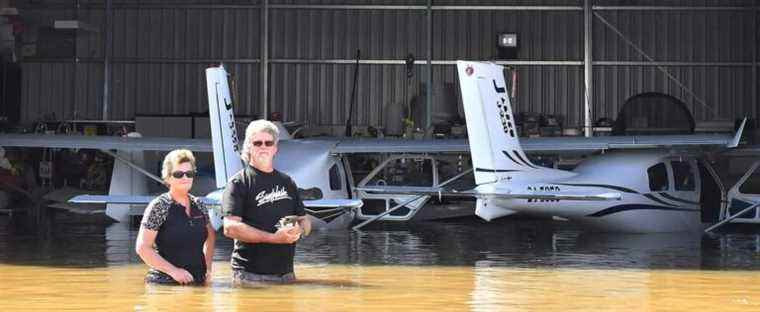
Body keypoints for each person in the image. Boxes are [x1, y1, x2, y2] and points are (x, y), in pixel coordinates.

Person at [222, 119, 311, 285]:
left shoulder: (288, 182)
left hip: (287, 275)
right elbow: (230, 228)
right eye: (257, 142)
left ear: (275, 148)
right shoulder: (238, 183)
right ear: (249, 146)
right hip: (250, 276)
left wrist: (299, 230)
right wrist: (273, 238)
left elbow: (305, 221)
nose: (263, 146)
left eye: (268, 143)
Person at [135, 149, 216, 285]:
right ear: (168, 177)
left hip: (197, 282)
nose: (185, 178)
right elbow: (142, 248)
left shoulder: (199, 205)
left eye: (189, 174)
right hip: (165, 284)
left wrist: (208, 268)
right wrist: (174, 271)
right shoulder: (159, 206)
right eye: (179, 174)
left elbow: (211, 236)